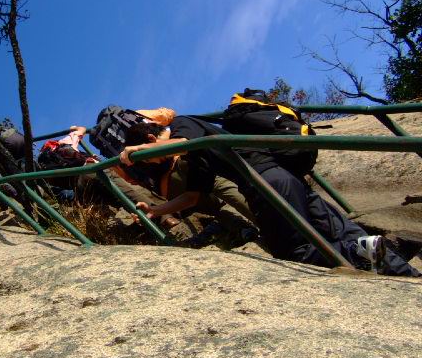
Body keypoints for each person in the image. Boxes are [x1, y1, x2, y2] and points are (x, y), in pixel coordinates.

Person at [120, 118, 420, 276]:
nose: (153, 163)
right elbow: (192, 197)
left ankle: (358, 253)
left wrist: (138, 151)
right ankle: (406, 274)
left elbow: (184, 141)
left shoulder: (183, 125)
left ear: (151, 139)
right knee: (339, 229)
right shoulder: (198, 157)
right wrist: (157, 210)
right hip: (284, 177)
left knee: (294, 251)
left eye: (150, 158)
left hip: (265, 182)